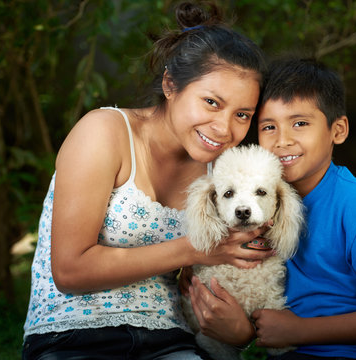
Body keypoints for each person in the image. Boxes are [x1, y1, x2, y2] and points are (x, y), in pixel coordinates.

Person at [21, 2, 272, 359]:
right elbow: (70, 269)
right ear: (171, 84)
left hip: (168, 339)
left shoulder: (223, 177)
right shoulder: (105, 133)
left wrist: (242, 329)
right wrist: (193, 249)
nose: (224, 128)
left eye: (242, 114)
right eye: (212, 102)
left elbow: (226, 264)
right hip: (72, 335)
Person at [188, 58, 356, 359]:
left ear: (337, 130)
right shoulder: (262, 201)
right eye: (269, 126)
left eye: (300, 123)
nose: (283, 140)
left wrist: (301, 330)